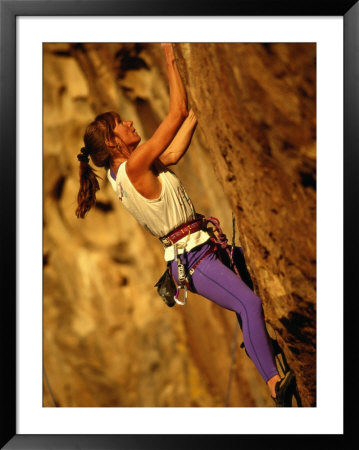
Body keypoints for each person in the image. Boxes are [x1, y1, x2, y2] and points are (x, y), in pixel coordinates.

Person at [75, 43, 295, 407]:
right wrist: (171, 59)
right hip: (194, 261)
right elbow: (174, 112)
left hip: (200, 250)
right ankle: (274, 384)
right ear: (114, 143)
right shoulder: (133, 166)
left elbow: (174, 152)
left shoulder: (123, 173)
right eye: (122, 124)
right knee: (250, 304)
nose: (131, 123)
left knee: (248, 287)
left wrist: (197, 115)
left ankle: (259, 348)